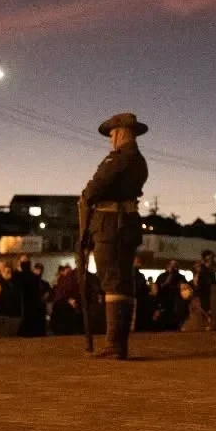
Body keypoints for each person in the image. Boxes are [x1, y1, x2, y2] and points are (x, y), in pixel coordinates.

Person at [78, 112, 150, 359]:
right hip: (125, 223)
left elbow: (94, 189)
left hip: (110, 224)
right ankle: (117, 343)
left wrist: (86, 199)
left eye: (112, 135)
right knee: (122, 281)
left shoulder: (119, 158)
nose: (110, 140)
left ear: (120, 132)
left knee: (112, 279)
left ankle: (114, 344)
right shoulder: (139, 160)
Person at [0, 260, 21, 337]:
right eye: (6, 271)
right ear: (1, 272)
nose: (9, 273)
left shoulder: (13, 284)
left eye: (10, 271)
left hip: (14, 316)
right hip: (2, 317)